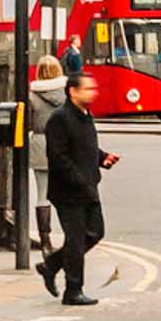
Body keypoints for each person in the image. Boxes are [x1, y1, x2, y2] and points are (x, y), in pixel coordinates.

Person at [35, 73, 116, 307]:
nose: (93, 92)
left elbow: (84, 146)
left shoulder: (84, 114)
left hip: (89, 186)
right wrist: (80, 181)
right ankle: (73, 290)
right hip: (68, 191)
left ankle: (50, 265)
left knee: (95, 233)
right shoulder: (60, 119)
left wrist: (102, 158)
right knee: (77, 238)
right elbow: (58, 157)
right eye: (88, 89)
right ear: (73, 91)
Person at [28, 55, 69, 255]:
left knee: (43, 195)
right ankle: (71, 236)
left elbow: (27, 123)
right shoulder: (67, 93)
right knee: (64, 193)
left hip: (40, 144)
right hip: (63, 145)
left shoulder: (32, 96)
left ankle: (45, 242)